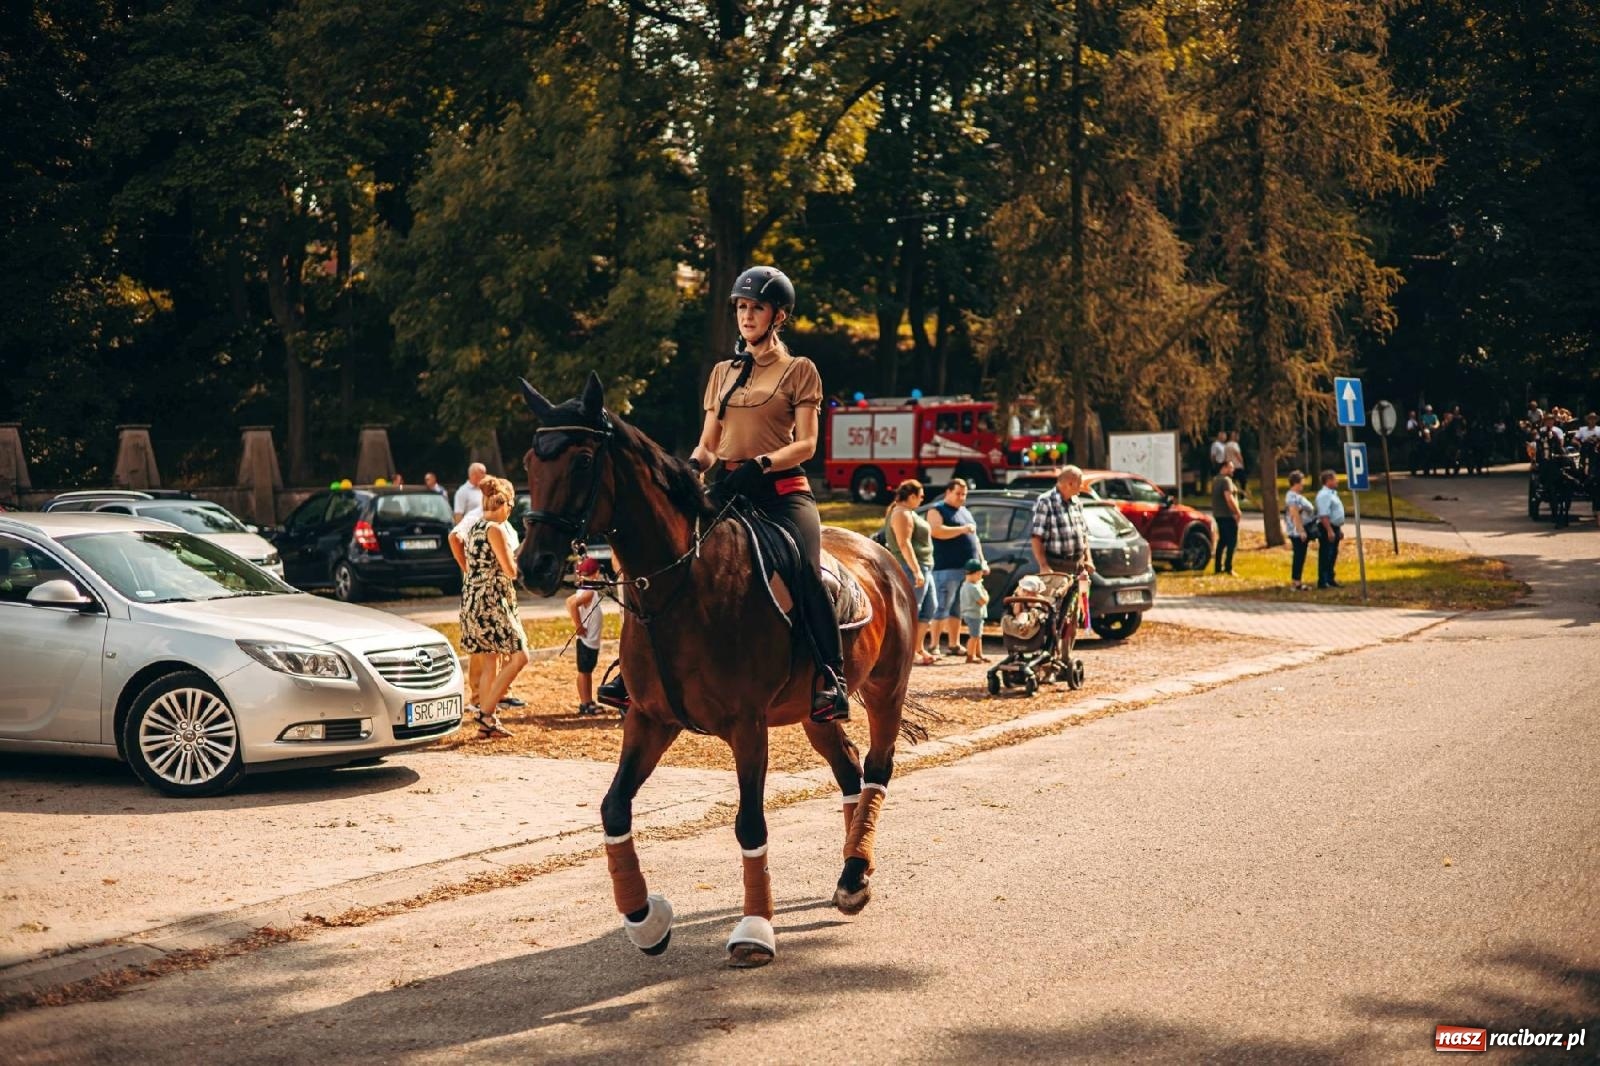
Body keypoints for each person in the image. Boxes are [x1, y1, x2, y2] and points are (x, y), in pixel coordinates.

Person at [596, 265, 849, 722]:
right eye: (741, 307)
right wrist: (692, 467)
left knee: (805, 572)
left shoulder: (799, 370)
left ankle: (831, 678)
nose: (746, 316)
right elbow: (709, 443)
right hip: (728, 488)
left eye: (756, 308)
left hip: (782, 491)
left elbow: (807, 443)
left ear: (779, 316)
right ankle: (632, 672)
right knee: (664, 562)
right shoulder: (723, 373)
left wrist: (761, 464)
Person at [459, 478, 529, 737]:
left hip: (473, 602)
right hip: (492, 603)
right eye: (511, 505)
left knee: (491, 662)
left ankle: (488, 723)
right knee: (521, 657)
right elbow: (510, 571)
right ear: (505, 504)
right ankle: (485, 713)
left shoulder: (475, 527)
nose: (510, 511)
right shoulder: (496, 529)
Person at [927, 479, 985, 657]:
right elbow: (936, 531)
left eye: (964, 494)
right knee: (942, 606)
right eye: (958, 493)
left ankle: (954, 643)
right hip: (946, 567)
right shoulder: (937, 509)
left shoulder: (965, 512)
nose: (961, 497)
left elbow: (975, 539)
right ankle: (934, 644)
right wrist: (961, 530)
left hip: (967, 569)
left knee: (958, 609)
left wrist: (982, 561)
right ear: (948, 492)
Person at [884, 480, 938, 666]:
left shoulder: (908, 512)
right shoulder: (901, 513)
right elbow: (904, 543)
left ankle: (918, 647)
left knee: (930, 608)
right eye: (921, 496)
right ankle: (907, 651)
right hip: (912, 567)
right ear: (912, 496)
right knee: (912, 610)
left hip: (925, 566)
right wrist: (916, 571)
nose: (922, 500)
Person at [1029, 466, 1095, 578]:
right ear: (1070, 484)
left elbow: (1084, 535)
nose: (1081, 487)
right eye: (1079, 484)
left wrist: (1088, 559)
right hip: (1056, 566)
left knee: (1081, 596)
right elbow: (1036, 537)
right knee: (1057, 595)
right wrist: (1043, 565)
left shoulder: (1076, 502)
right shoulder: (1046, 501)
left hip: (1078, 567)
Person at [566, 557, 606, 716]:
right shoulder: (589, 591)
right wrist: (579, 626)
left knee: (586, 671)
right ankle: (585, 703)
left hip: (590, 640)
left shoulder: (586, 589)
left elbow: (569, 601)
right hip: (587, 640)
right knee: (584, 671)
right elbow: (572, 604)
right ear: (596, 573)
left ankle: (588, 700)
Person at [1314, 469, 1345, 590]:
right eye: (1334, 479)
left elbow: (1334, 512)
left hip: (1335, 527)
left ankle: (1330, 578)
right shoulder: (1324, 495)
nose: (1337, 481)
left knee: (1333, 554)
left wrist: (1339, 529)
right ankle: (1323, 580)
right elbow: (1323, 514)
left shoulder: (1333, 494)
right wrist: (1329, 530)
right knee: (1326, 554)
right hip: (1327, 527)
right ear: (1328, 481)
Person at [1284, 470, 1315, 592]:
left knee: (1301, 556)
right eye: (1301, 482)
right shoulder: (1292, 497)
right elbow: (1294, 514)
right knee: (1299, 556)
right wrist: (1301, 531)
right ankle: (1296, 582)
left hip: (1300, 529)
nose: (1303, 485)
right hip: (1297, 532)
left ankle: (1297, 581)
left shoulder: (1296, 496)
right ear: (1296, 483)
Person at [1211, 459, 1241, 575]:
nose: (1232, 470)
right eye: (1230, 467)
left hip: (1218, 514)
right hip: (1227, 515)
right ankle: (1228, 567)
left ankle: (1218, 567)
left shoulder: (1215, 480)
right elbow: (1229, 498)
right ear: (1224, 468)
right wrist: (1237, 512)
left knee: (1222, 541)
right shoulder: (1226, 481)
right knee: (1232, 542)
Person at [958, 559, 990, 663]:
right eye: (980, 574)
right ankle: (970, 656)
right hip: (974, 615)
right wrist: (986, 593)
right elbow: (983, 601)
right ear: (976, 573)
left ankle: (979, 653)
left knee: (978, 635)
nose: (981, 576)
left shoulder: (965, 585)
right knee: (974, 636)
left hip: (972, 614)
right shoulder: (974, 588)